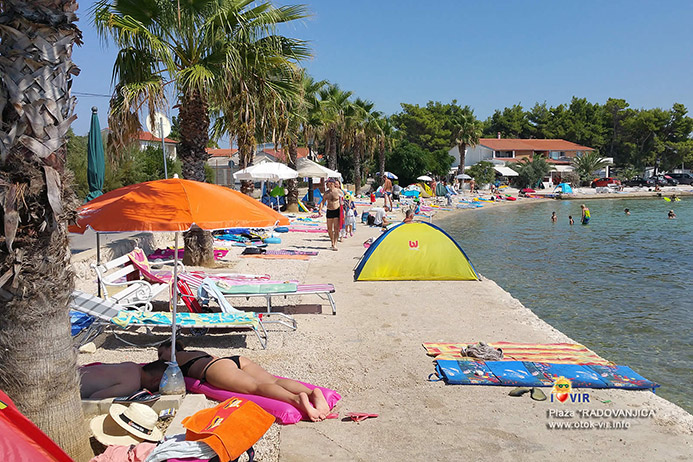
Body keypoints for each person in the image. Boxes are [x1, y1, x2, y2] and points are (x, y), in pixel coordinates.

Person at [155, 341, 331, 422]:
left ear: (170, 348)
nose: (159, 356)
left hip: (215, 369)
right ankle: (311, 393)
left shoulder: (172, 358)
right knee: (273, 380)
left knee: (257, 388)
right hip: (235, 360)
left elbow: (154, 375)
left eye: (160, 351)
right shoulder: (194, 351)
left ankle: (297, 400)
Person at [80, 361, 168, 399]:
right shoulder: (133, 384)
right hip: (73, 386)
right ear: (155, 381)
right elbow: (95, 398)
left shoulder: (132, 366)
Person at [318, 179, 342, 251]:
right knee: (329, 229)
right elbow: (322, 201)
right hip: (329, 211)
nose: (326, 185)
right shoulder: (326, 193)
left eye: (327, 183)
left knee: (336, 229)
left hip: (336, 210)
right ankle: (332, 241)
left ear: (331, 183)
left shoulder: (338, 191)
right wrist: (320, 209)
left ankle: (335, 243)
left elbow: (346, 198)